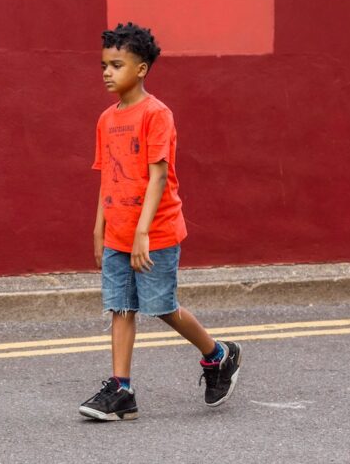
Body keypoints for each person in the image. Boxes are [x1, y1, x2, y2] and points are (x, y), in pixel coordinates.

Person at [79, 23, 242, 421]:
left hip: (155, 232)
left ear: (141, 69)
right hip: (118, 231)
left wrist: (142, 233)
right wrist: (99, 227)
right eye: (104, 64)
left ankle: (219, 355)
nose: (106, 72)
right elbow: (107, 176)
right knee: (120, 307)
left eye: (116, 65)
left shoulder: (156, 115)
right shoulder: (106, 119)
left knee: (162, 307)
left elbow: (157, 177)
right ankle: (121, 390)